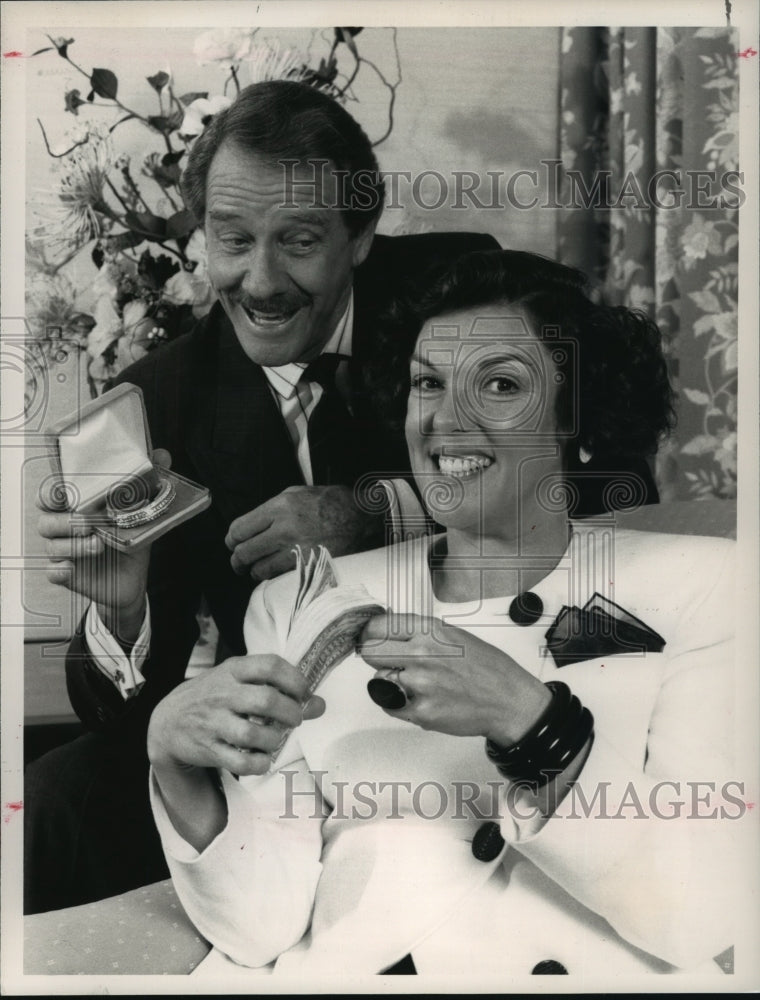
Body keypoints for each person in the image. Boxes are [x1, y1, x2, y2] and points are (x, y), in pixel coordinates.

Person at [134, 248, 734, 976]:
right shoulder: (301, 601)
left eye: (501, 384)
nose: (447, 420)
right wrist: (174, 762)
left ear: (578, 418)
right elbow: (260, 927)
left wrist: (531, 721)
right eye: (428, 384)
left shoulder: (709, 585)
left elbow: (699, 911)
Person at [25, 79, 500, 914]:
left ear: (360, 236)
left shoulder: (464, 293)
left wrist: (379, 513)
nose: (260, 280)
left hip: (478, 685)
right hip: (284, 747)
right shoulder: (154, 398)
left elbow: (615, 481)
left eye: (300, 241)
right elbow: (123, 707)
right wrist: (122, 615)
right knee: (59, 797)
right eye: (232, 239)